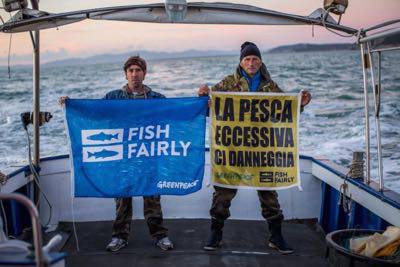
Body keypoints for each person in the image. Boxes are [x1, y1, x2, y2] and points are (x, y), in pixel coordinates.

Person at [198, 41, 311, 254]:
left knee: (269, 192)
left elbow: (284, 112)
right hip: (233, 149)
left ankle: (276, 237)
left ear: (260, 61)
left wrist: (301, 104)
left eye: (255, 59)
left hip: (262, 148)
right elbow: (210, 108)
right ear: (241, 62)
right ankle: (216, 233)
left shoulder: (270, 86)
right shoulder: (228, 83)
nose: (251, 62)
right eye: (247, 59)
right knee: (223, 193)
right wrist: (203, 96)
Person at [59, 56, 174, 252]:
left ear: (144, 73)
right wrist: (71, 105)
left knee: (152, 200)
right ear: (126, 74)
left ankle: (160, 236)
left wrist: (200, 100)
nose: (134, 74)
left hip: (148, 157)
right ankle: (119, 237)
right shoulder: (113, 97)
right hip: (123, 158)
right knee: (122, 201)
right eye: (131, 71)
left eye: (138, 70)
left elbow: (176, 113)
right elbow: (95, 113)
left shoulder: (157, 99)